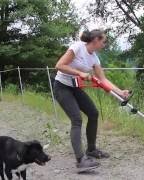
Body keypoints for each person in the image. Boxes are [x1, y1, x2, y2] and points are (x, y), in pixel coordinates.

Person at [54, 29, 130, 171]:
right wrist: (80, 73)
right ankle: (80, 160)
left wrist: (120, 92)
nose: (104, 44)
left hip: (75, 88)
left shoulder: (94, 58)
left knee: (93, 113)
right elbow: (59, 65)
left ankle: (91, 150)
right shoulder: (77, 47)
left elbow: (103, 79)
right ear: (95, 40)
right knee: (76, 119)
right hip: (62, 87)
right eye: (103, 41)